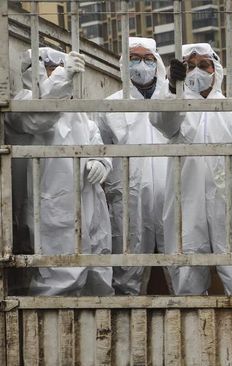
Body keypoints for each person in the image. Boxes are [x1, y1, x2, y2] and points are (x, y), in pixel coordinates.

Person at [149, 43, 232, 295]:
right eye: (190, 66)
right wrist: (174, 90)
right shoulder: (177, 106)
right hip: (187, 205)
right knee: (187, 274)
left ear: (216, 69)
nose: (197, 71)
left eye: (203, 65)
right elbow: (163, 123)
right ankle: (191, 330)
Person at [5, 47, 113, 296]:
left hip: (89, 205)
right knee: (57, 280)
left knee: (97, 276)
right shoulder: (21, 103)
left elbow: (97, 140)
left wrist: (101, 161)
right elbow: (38, 117)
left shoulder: (77, 111)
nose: (58, 74)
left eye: (60, 68)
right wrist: (63, 78)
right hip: (49, 209)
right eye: (51, 69)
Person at [95, 37, 169, 295]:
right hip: (129, 197)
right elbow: (99, 149)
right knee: (128, 271)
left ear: (157, 62)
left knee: (185, 266)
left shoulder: (173, 101)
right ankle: (129, 330)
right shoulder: (110, 106)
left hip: (173, 195)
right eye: (134, 59)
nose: (142, 65)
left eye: (148, 59)